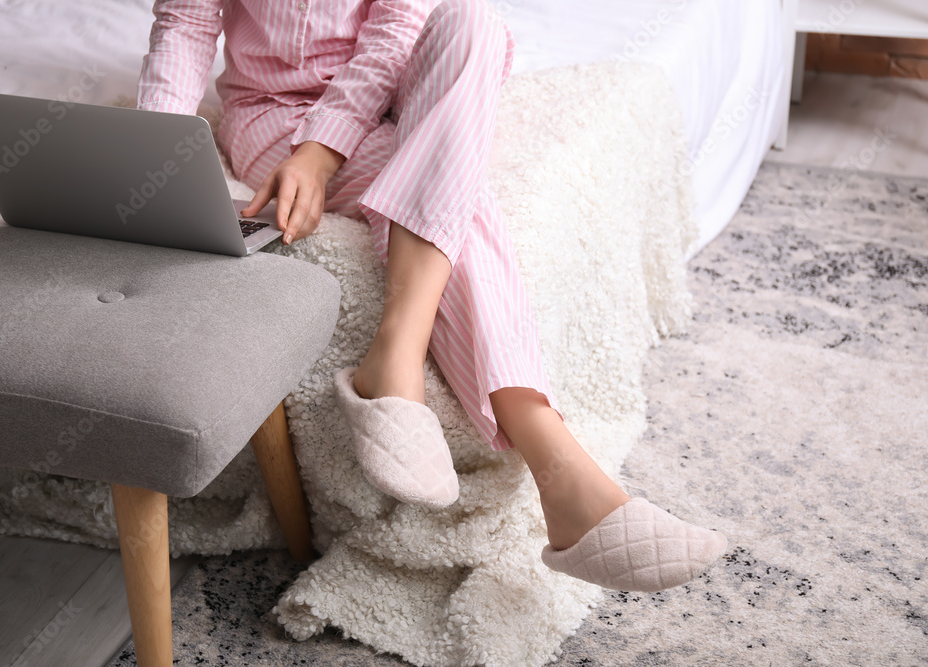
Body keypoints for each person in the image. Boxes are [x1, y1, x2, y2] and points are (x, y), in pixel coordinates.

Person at [137, 0, 726, 592]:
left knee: (474, 22)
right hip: (280, 115)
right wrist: (154, 153)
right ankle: (559, 465)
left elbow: (399, 28)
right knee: (454, 200)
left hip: (403, 84)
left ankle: (395, 353)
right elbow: (186, 22)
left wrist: (325, 155)